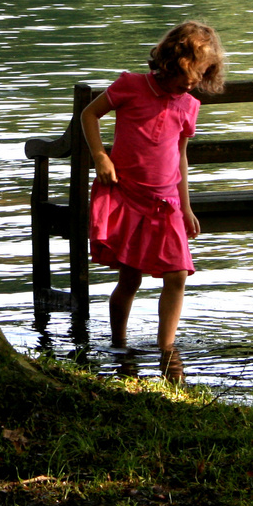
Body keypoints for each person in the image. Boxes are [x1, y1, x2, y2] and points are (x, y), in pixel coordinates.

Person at [80, 20, 225, 361]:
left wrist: (186, 207)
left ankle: (166, 350)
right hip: (129, 196)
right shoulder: (131, 86)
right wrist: (101, 157)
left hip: (168, 203)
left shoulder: (189, 105)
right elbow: (89, 114)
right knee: (130, 277)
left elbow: (180, 157)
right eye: (195, 71)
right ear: (175, 60)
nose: (197, 81)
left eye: (204, 74)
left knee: (177, 274)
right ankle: (119, 345)